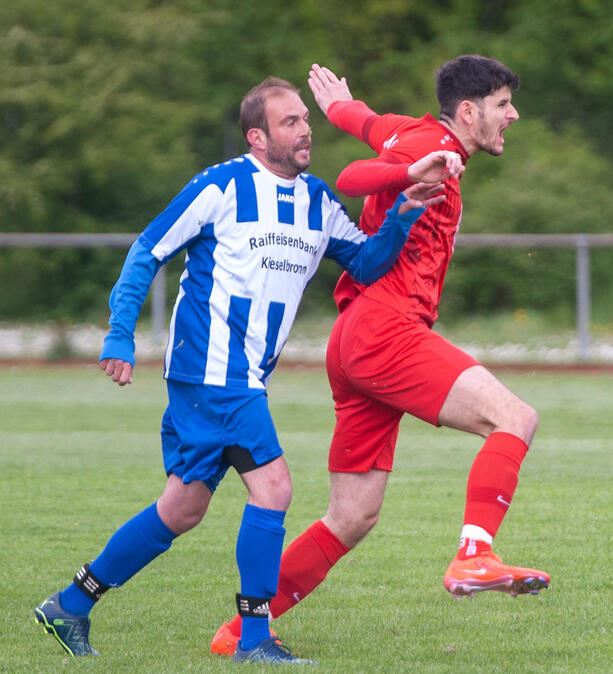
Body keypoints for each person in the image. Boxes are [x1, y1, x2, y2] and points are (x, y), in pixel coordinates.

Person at [33, 75, 458, 664]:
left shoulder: (317, 200)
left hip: (242, 375)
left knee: (181, 509)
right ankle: (255, 639)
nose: (306, 128)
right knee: (275, 487)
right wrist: (119, 334)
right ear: (258, 136)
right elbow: (147, 251)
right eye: (290, 121)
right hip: (210, 368)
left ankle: (70, 606)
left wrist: (404, 213)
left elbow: (364, 262)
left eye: (307, 118)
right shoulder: (223, 185)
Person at [209, 56, 549, 657]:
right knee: (514, 419)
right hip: (386, 327)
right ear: (468, 112)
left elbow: (363, 121)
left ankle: (240, 631)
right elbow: (354, 177)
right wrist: (409, 171)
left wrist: (340, 105)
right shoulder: (429, 146)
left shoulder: (412, 129)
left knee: (353, 514)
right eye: (503, 104)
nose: (512, 115)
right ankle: (474, 554)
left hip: (355, 337)